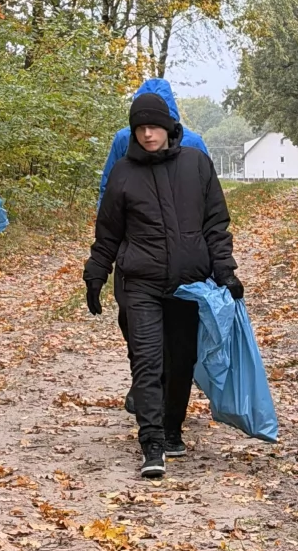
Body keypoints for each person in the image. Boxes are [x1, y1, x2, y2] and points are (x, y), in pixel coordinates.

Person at [83, 92, 242, 479]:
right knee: (148, 361)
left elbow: (215, 226)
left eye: (153, 126)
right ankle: (151, 441)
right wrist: (96, 273)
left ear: (170, 128)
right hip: (140, 283)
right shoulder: (124, 172)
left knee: (181, 360)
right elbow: (108, 233)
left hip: (189, 285)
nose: (147, 134)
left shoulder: (197, 165)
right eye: (140, 128)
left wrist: (226, 272)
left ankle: (172, 429)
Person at [97, 78, 210, 416]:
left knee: (169, 327)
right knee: (134, 320)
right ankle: (146, 382)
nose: (147, 134)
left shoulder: (193, 144)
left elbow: (205, 196)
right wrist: (111, 239)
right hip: (135, 251)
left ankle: (166, 394)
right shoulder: (124, 140)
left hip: (178, 255)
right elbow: (111, 188)